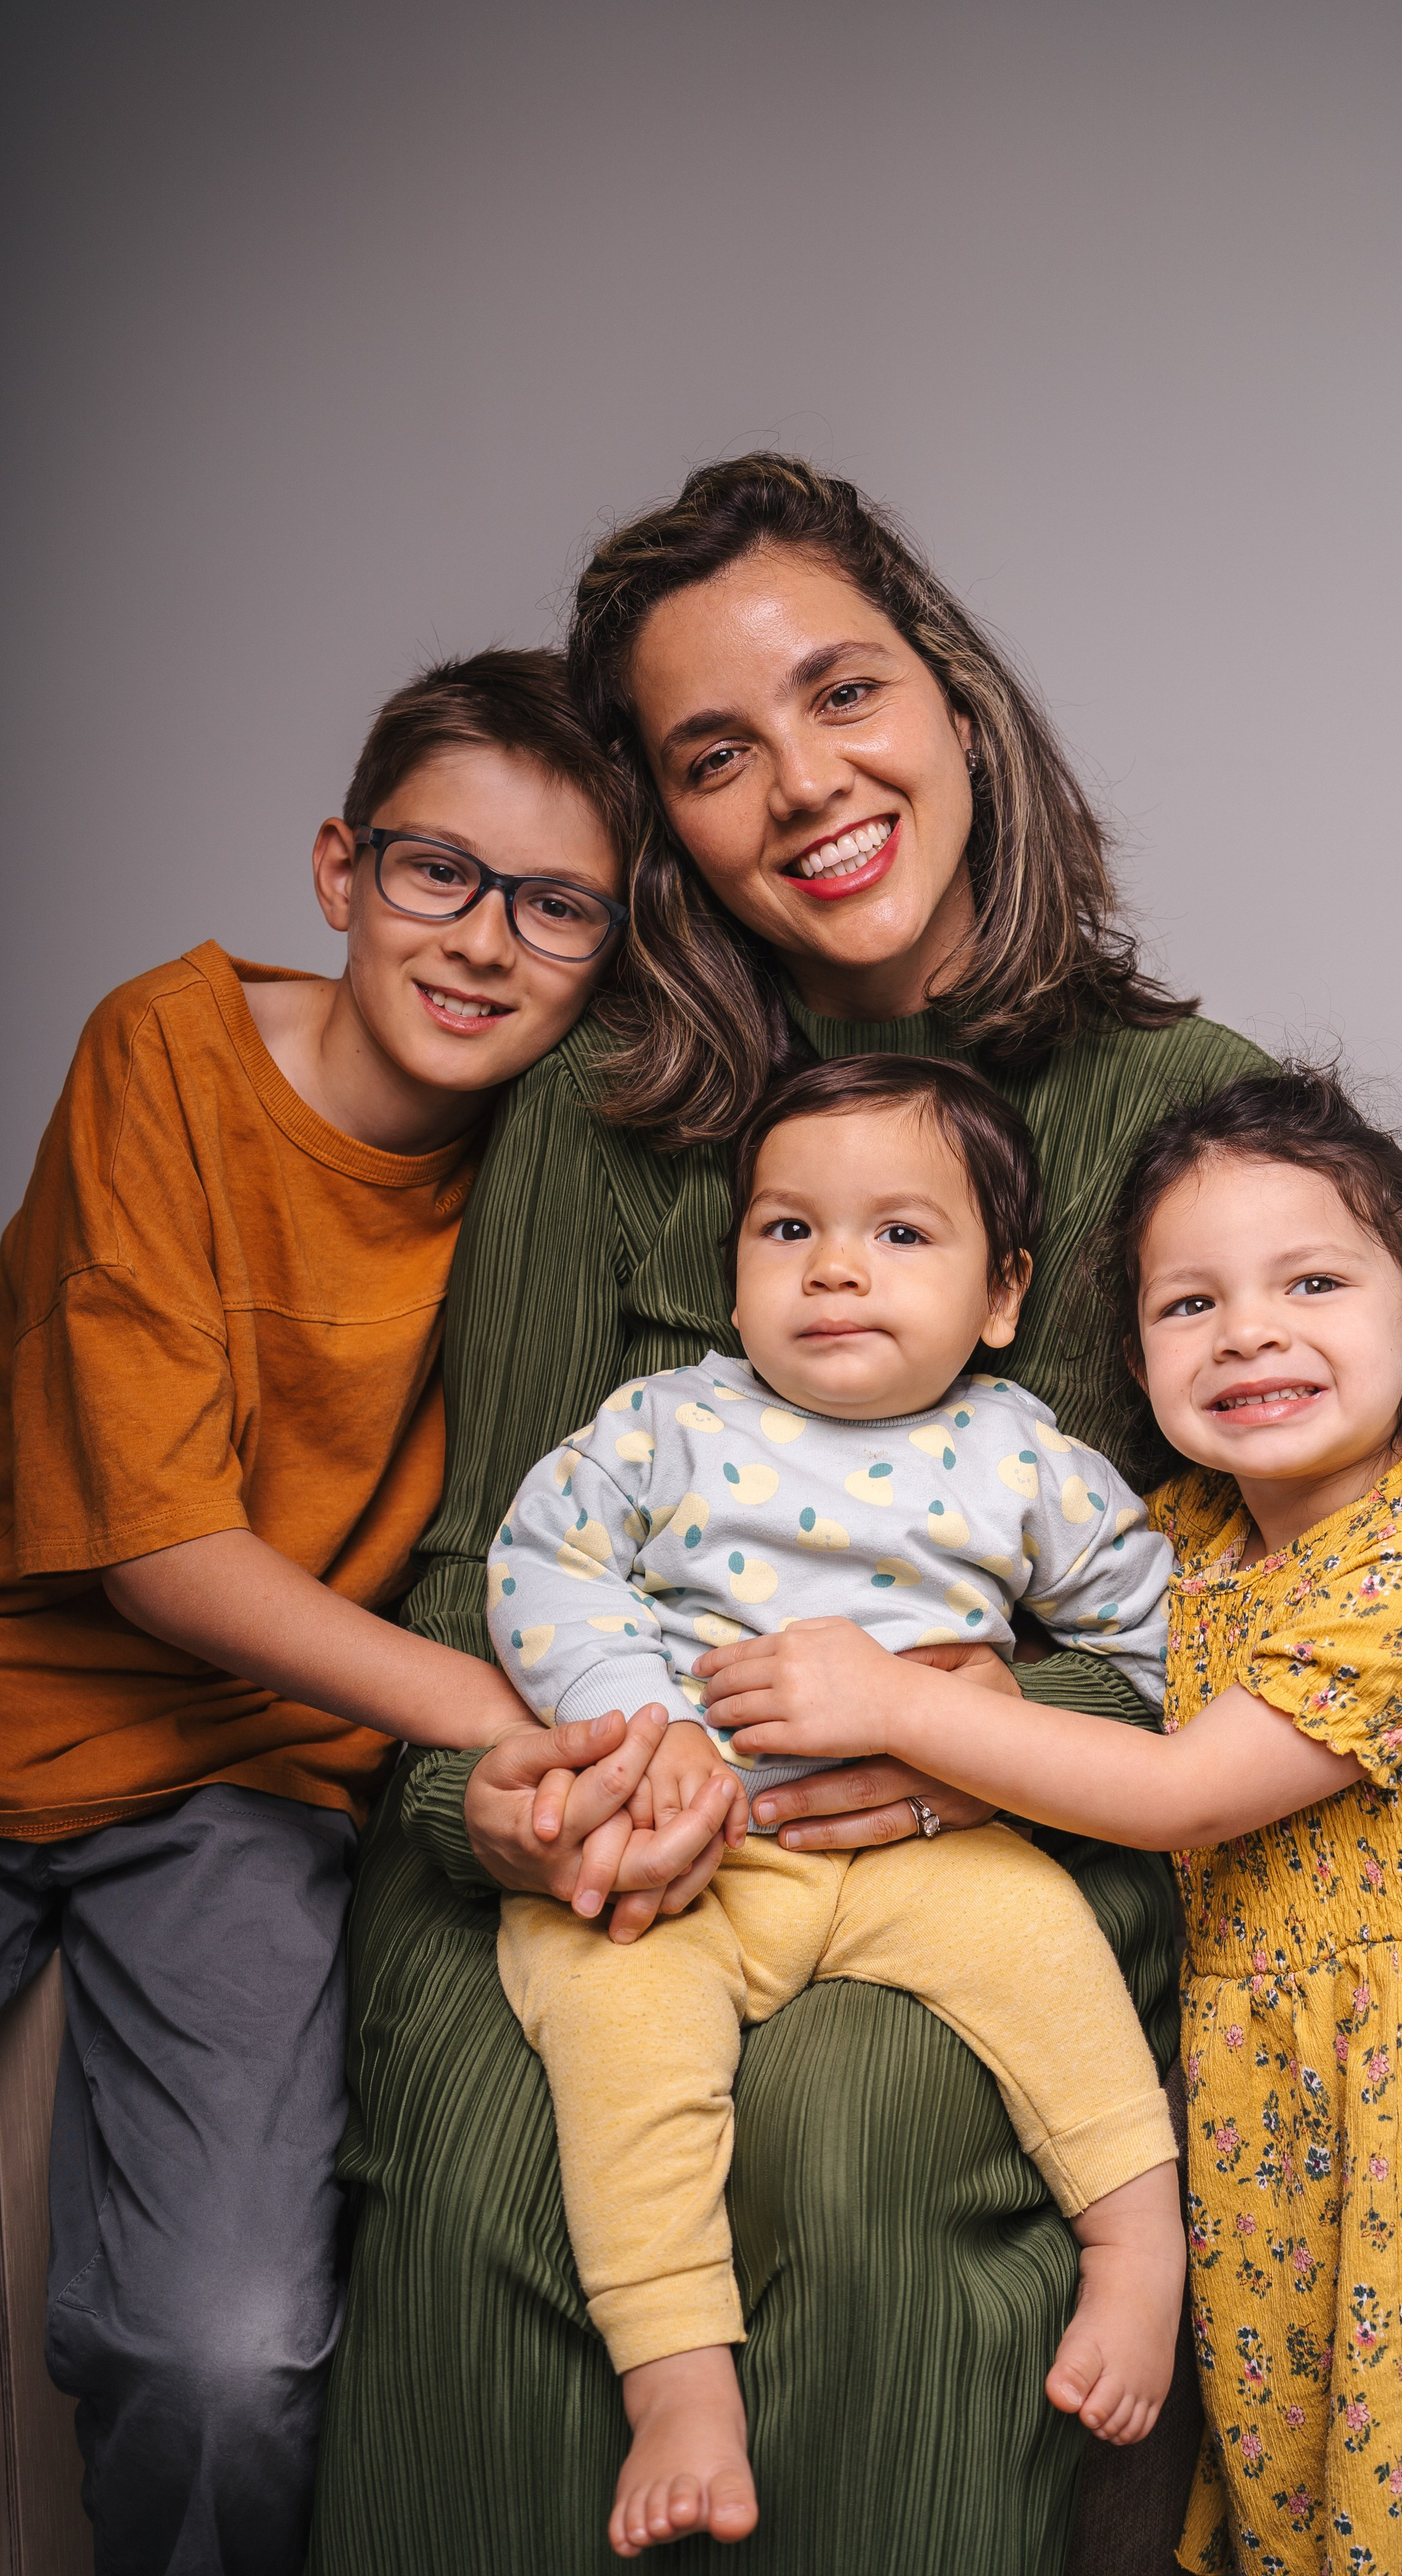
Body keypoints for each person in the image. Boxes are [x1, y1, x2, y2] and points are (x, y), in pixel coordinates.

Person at [309, 455, 1274, 2576]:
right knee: (502, 2147)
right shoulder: (600, 1107)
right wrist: (516, 1798)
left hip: (1014, 1834)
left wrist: (956, 1740)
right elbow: (485, 1564)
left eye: (845, 694)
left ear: (950, 696)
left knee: (848, 2126)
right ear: (665, 823)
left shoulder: (1179, 1101)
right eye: (716, 755)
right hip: (612, 1818)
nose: (805, 786)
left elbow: (1215, 1610)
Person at [693, 1066, 1402, 2576]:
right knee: (1318, 2477)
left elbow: (1174, 1789)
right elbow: (1067, 1683)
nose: (1247, 1332)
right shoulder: (1191, 1539)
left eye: (1310, 1282)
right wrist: (982, 1692)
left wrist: (900, 1708)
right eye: (1186, 1305)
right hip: (1271, 2106)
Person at [0, 653, 731, 2576]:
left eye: (556, 904)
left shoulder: (562, 1146)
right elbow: (162, 1551)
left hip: (251, 1791)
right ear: (341, 868)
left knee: (227, 2361)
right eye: (438, 875)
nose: (486, 943)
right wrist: (508, 1716)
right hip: (20, 1700)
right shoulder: (162, 1051)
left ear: (609, 946)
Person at [493, 1054, 1187, 2556]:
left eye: (899, 1234)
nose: (835, 1271)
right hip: (700, 1852)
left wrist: (1001, 1718)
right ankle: (678, 2379)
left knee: (1054, 1968)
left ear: (1000, 1295)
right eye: (786, 1231)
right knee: (613, 2031)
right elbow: (538, 1564)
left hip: (929, 1853)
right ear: (734, 1277)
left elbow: (1169, 1642)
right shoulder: (664, 1423)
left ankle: (1136, 2248)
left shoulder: (1017, 1455)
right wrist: (648, 1726)